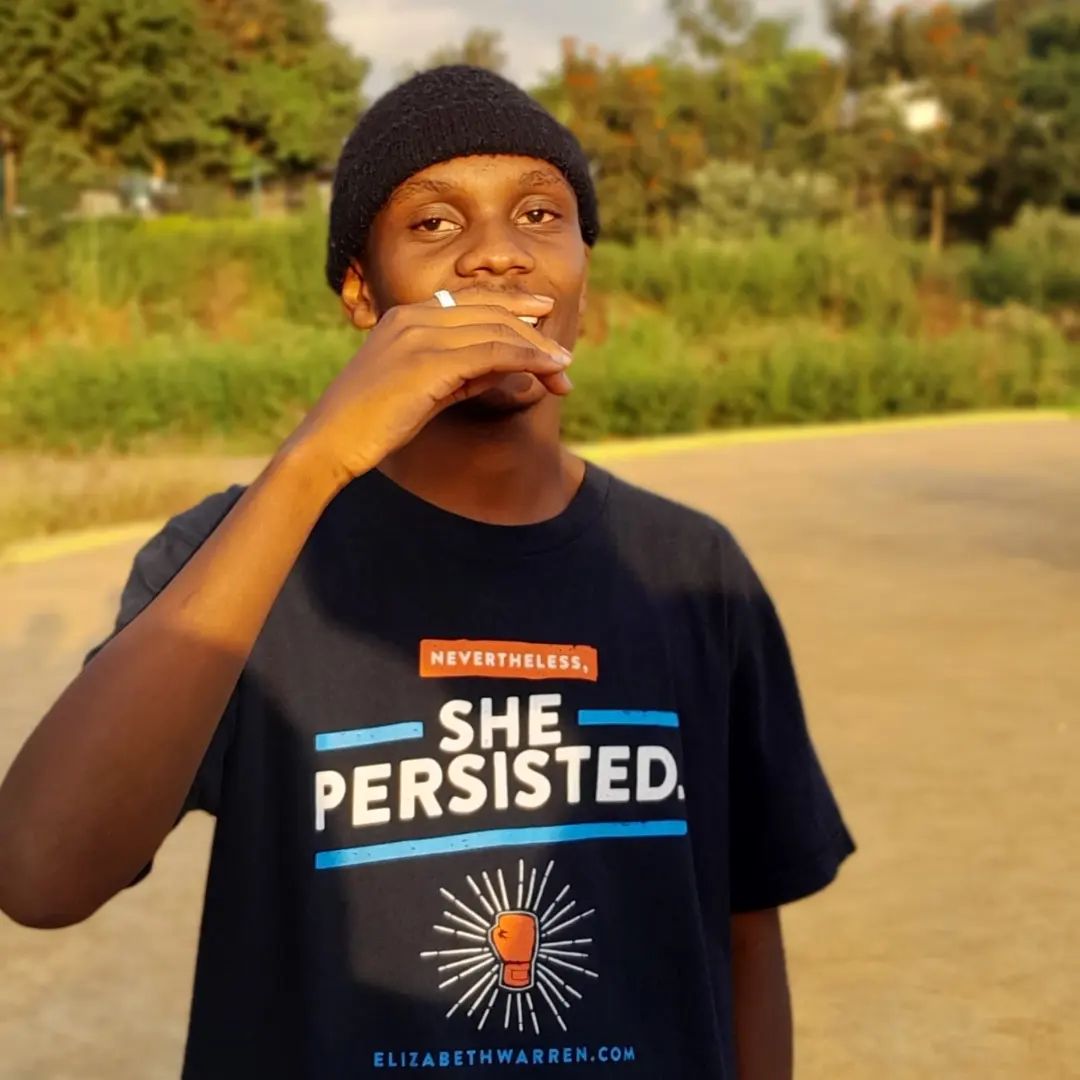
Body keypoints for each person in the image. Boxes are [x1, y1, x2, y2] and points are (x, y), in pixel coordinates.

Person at [0, 66, 855, 1078]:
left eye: (540, 214)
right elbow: (42, 877)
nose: (497, 251)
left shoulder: (692, 572)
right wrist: (313, 460)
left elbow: (746, 936)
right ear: (362, 293)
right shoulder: (238, 554)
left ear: (584, 271)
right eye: (435, 223)